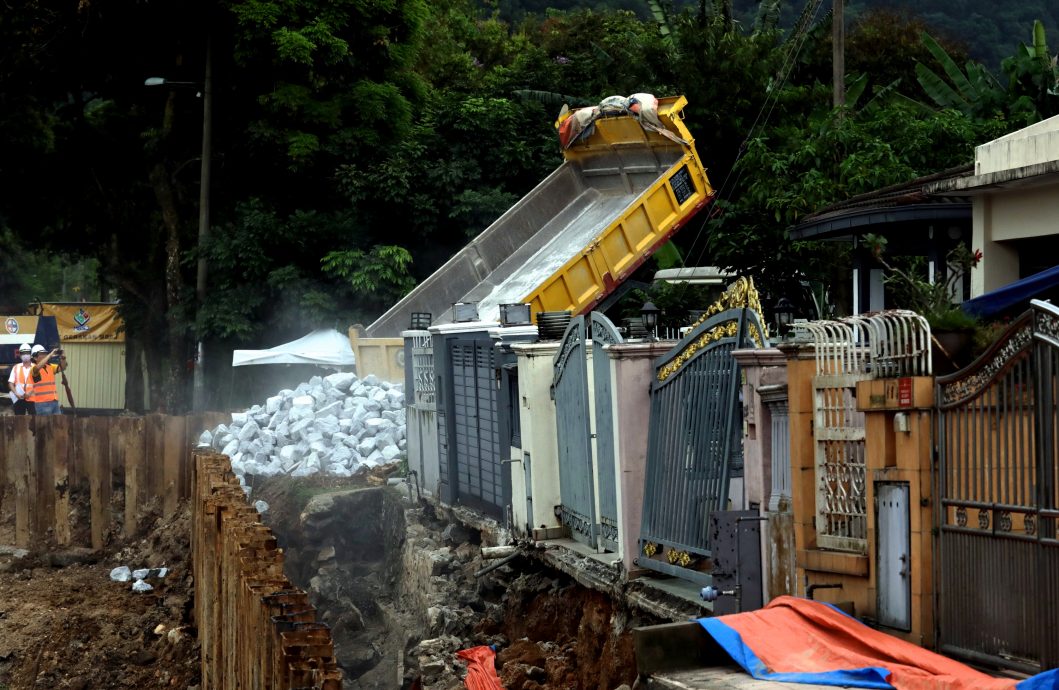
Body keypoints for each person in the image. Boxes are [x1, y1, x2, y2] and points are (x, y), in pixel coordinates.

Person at [28, 344, 68, 416]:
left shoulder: (49, 366)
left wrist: (63, 358)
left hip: (54, 401)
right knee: (45, 426)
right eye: (42, 354)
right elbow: (37, 368)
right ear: (35, 357)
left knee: (57, 425)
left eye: (45, 353)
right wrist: (49, 355)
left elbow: (63, 367)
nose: (44, 355)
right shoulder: (32, 368)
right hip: (42, 404)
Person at [7, 343, 36, 415]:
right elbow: (11, 383)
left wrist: (30, 392)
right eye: (23, 353)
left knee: (34, 420)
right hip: (19, 399)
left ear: (31, 354)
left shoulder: (35, 367)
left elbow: (39, 383)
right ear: (20, 355)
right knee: (19, 420)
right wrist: (16, 393)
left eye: (27, 353)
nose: (25, 355)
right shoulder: (16, 367)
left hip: (32, 399)